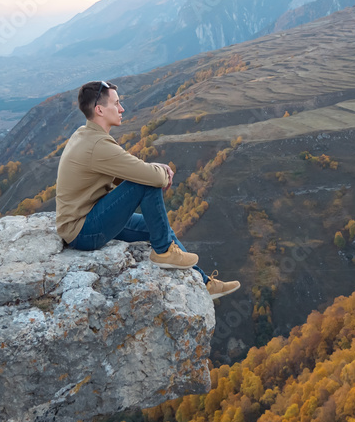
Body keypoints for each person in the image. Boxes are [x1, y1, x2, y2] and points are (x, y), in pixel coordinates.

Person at [56, 80, 240, 300]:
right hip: (83, 231)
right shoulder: (98, 145)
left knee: (158, 225)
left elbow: (116, 173)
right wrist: (160, 172)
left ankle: (204, 283)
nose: (122, 109)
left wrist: (152, 170)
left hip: (88, 219)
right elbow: (151, 178)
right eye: (116, 103)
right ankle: (163, 251)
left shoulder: (85, 134)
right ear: (100, 110)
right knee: (146, 182)